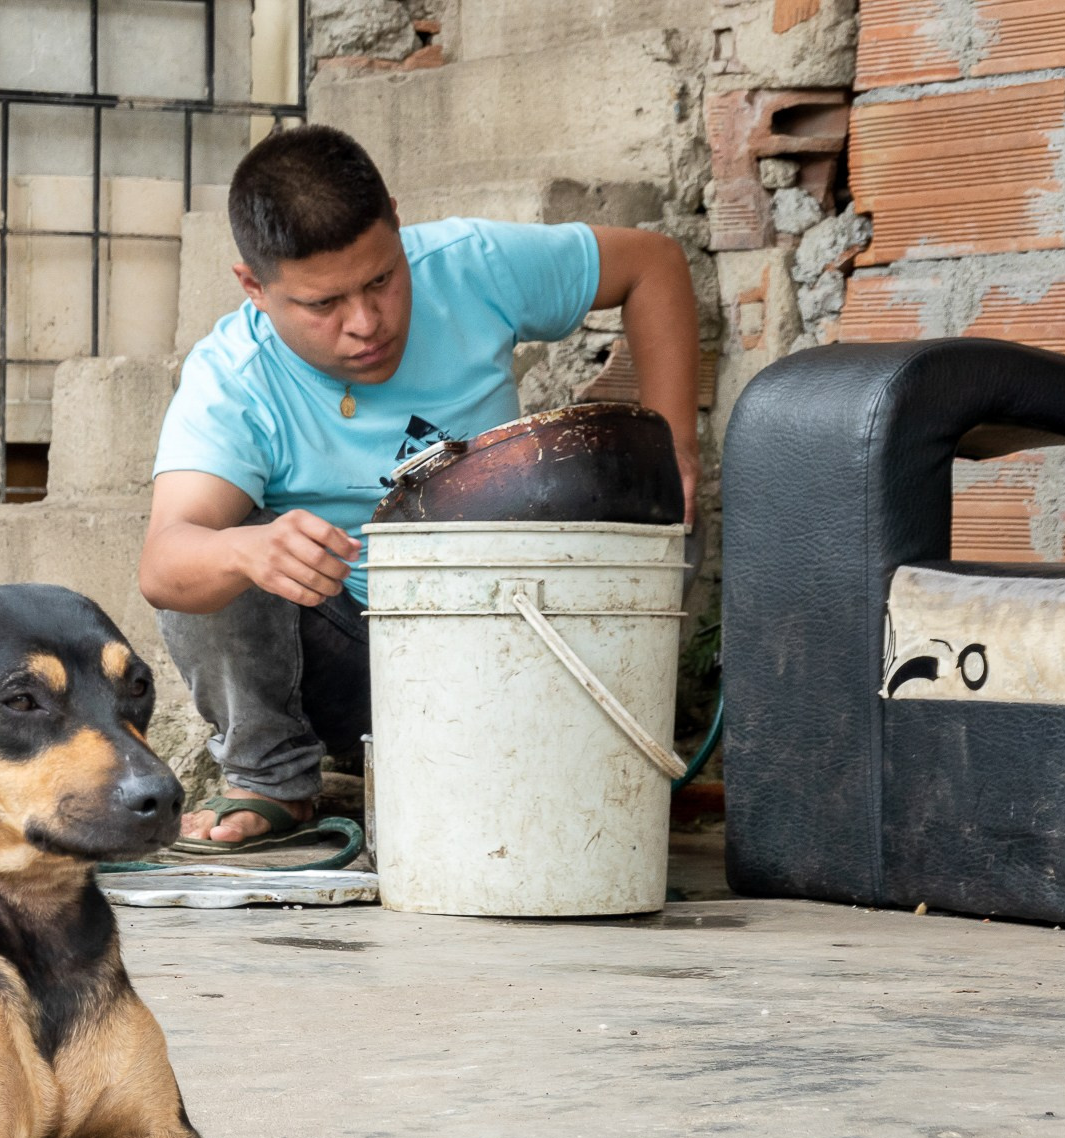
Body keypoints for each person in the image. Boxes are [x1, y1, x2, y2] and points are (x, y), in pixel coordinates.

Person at [140, 125, 701, 852]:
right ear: (254, 286)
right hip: (363, 662)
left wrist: (674, 442)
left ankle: (566, 756)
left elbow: (652, 264)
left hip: (525, 632)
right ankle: (272, 780)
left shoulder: (469, 265)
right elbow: (164, 560)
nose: (366, 324)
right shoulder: (232, 381)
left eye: (381, 279)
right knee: (221, 549)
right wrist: (253, 549)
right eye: (323, 304)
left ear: (398, 224)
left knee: (636, 471)